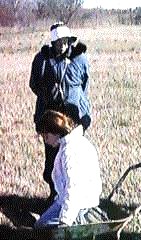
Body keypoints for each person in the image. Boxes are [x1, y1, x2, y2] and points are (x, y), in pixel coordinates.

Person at [29, 22, 91, 202]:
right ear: (53, 42)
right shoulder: (42, 60)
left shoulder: (80, 59)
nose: (63, 45)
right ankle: (54, 194)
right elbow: (34, 85)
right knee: (52, 157)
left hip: (73, 118)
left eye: (66, 41)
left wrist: (74, 101)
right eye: (59, 42)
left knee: (72, 156)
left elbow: (85, 85)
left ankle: (74, 196)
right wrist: (50, 96)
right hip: (51, 117)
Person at [34, 110, 104, 228]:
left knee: (45, 231)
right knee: (39, 226)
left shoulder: (70, 151)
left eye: (45, 136)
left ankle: (84, 222)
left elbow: (74, 188)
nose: (45, 141)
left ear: (55, 132)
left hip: (81, 207)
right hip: (68, 202)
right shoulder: (69, 144)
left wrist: (65, 220)